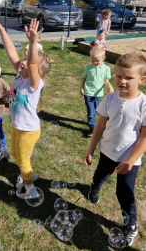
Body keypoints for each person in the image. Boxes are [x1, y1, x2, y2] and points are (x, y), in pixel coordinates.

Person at [84, 52, 146, 247]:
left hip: (130, 159)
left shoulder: (144, 104)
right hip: (107, 151)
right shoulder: (110, 99)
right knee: (100, 174)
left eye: (129, 77)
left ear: (142, 80)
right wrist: (91, 149)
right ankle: (94, 188)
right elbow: (100, 126)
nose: (122, 81)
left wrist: (129, 160)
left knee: (124, 191)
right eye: (119, 76)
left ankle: (131, 225)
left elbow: (144, 137)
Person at [0, 15, 51, 200]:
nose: (22, 62)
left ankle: (30, 187)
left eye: (27, 61)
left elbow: (32, 63)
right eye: (23, 59)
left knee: (23, 160)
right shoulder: (21, 76)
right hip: (17, 125)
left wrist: (33, 42)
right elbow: (11, 53)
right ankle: (29, 175)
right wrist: (1, 31)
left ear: (37, 72)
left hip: (29, 130)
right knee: (16, 154)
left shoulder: (33, 83)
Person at [79, 47, 114, 136]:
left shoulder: (106, 68)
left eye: (97, 61)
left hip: (98, 94)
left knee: (95, 110)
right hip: (88, 92)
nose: (94, 62)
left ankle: (93, 122)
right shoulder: (88, 68)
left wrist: (109, 86)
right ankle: (92, 128)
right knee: (91, 111)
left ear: (104, 58)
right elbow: (84, 78)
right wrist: (81, 88)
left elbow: (106, 80)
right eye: (92, 60)